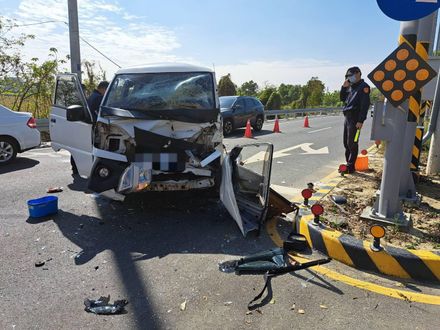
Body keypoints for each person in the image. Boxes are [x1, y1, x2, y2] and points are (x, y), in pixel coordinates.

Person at [340, 67, 371, 173]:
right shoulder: (351, 87)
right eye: (348, 76)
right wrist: (343, 88)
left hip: (355, 118)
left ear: (358, 74)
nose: (349, 78)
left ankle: (350, 166)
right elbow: (343, 99)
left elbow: (364, 105)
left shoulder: (363, 87)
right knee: (346, 142)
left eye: (351, 75)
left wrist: (361, 120)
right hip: (347, 117)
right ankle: (348, 164)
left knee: (352, 142)